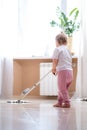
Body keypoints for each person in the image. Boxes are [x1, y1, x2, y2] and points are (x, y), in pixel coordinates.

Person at [52, 33, 73, 108]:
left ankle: (67, 102)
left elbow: (55, 60)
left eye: (55, 41)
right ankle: (59, 102)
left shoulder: (57, 49)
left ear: (58, 41)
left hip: (63, 71)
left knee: (61, 88)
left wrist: (54, 68)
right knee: (63, 88)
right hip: (70, 71)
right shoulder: (67, 49)